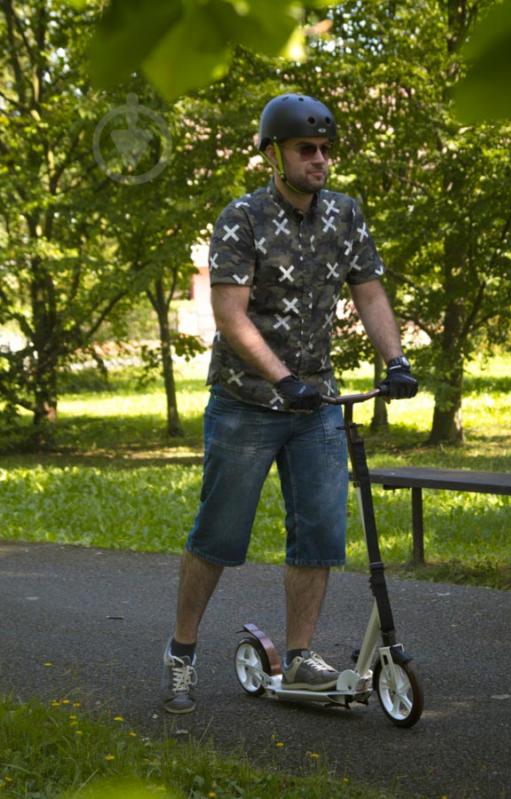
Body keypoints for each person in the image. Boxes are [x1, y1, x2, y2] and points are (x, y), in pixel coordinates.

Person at [160, 93, 418, 714]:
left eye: (327, 149)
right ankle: (182, 653)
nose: (320, 159)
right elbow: (229, 313)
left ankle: (300, 658)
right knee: (219, 535)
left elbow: (371, 293)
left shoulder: (345, 215)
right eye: (308, 149)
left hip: (317, 405)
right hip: (247, 403)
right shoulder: (242, 217)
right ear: (274, 153)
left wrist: (396, 360)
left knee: (320, 536)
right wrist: (281, 378)